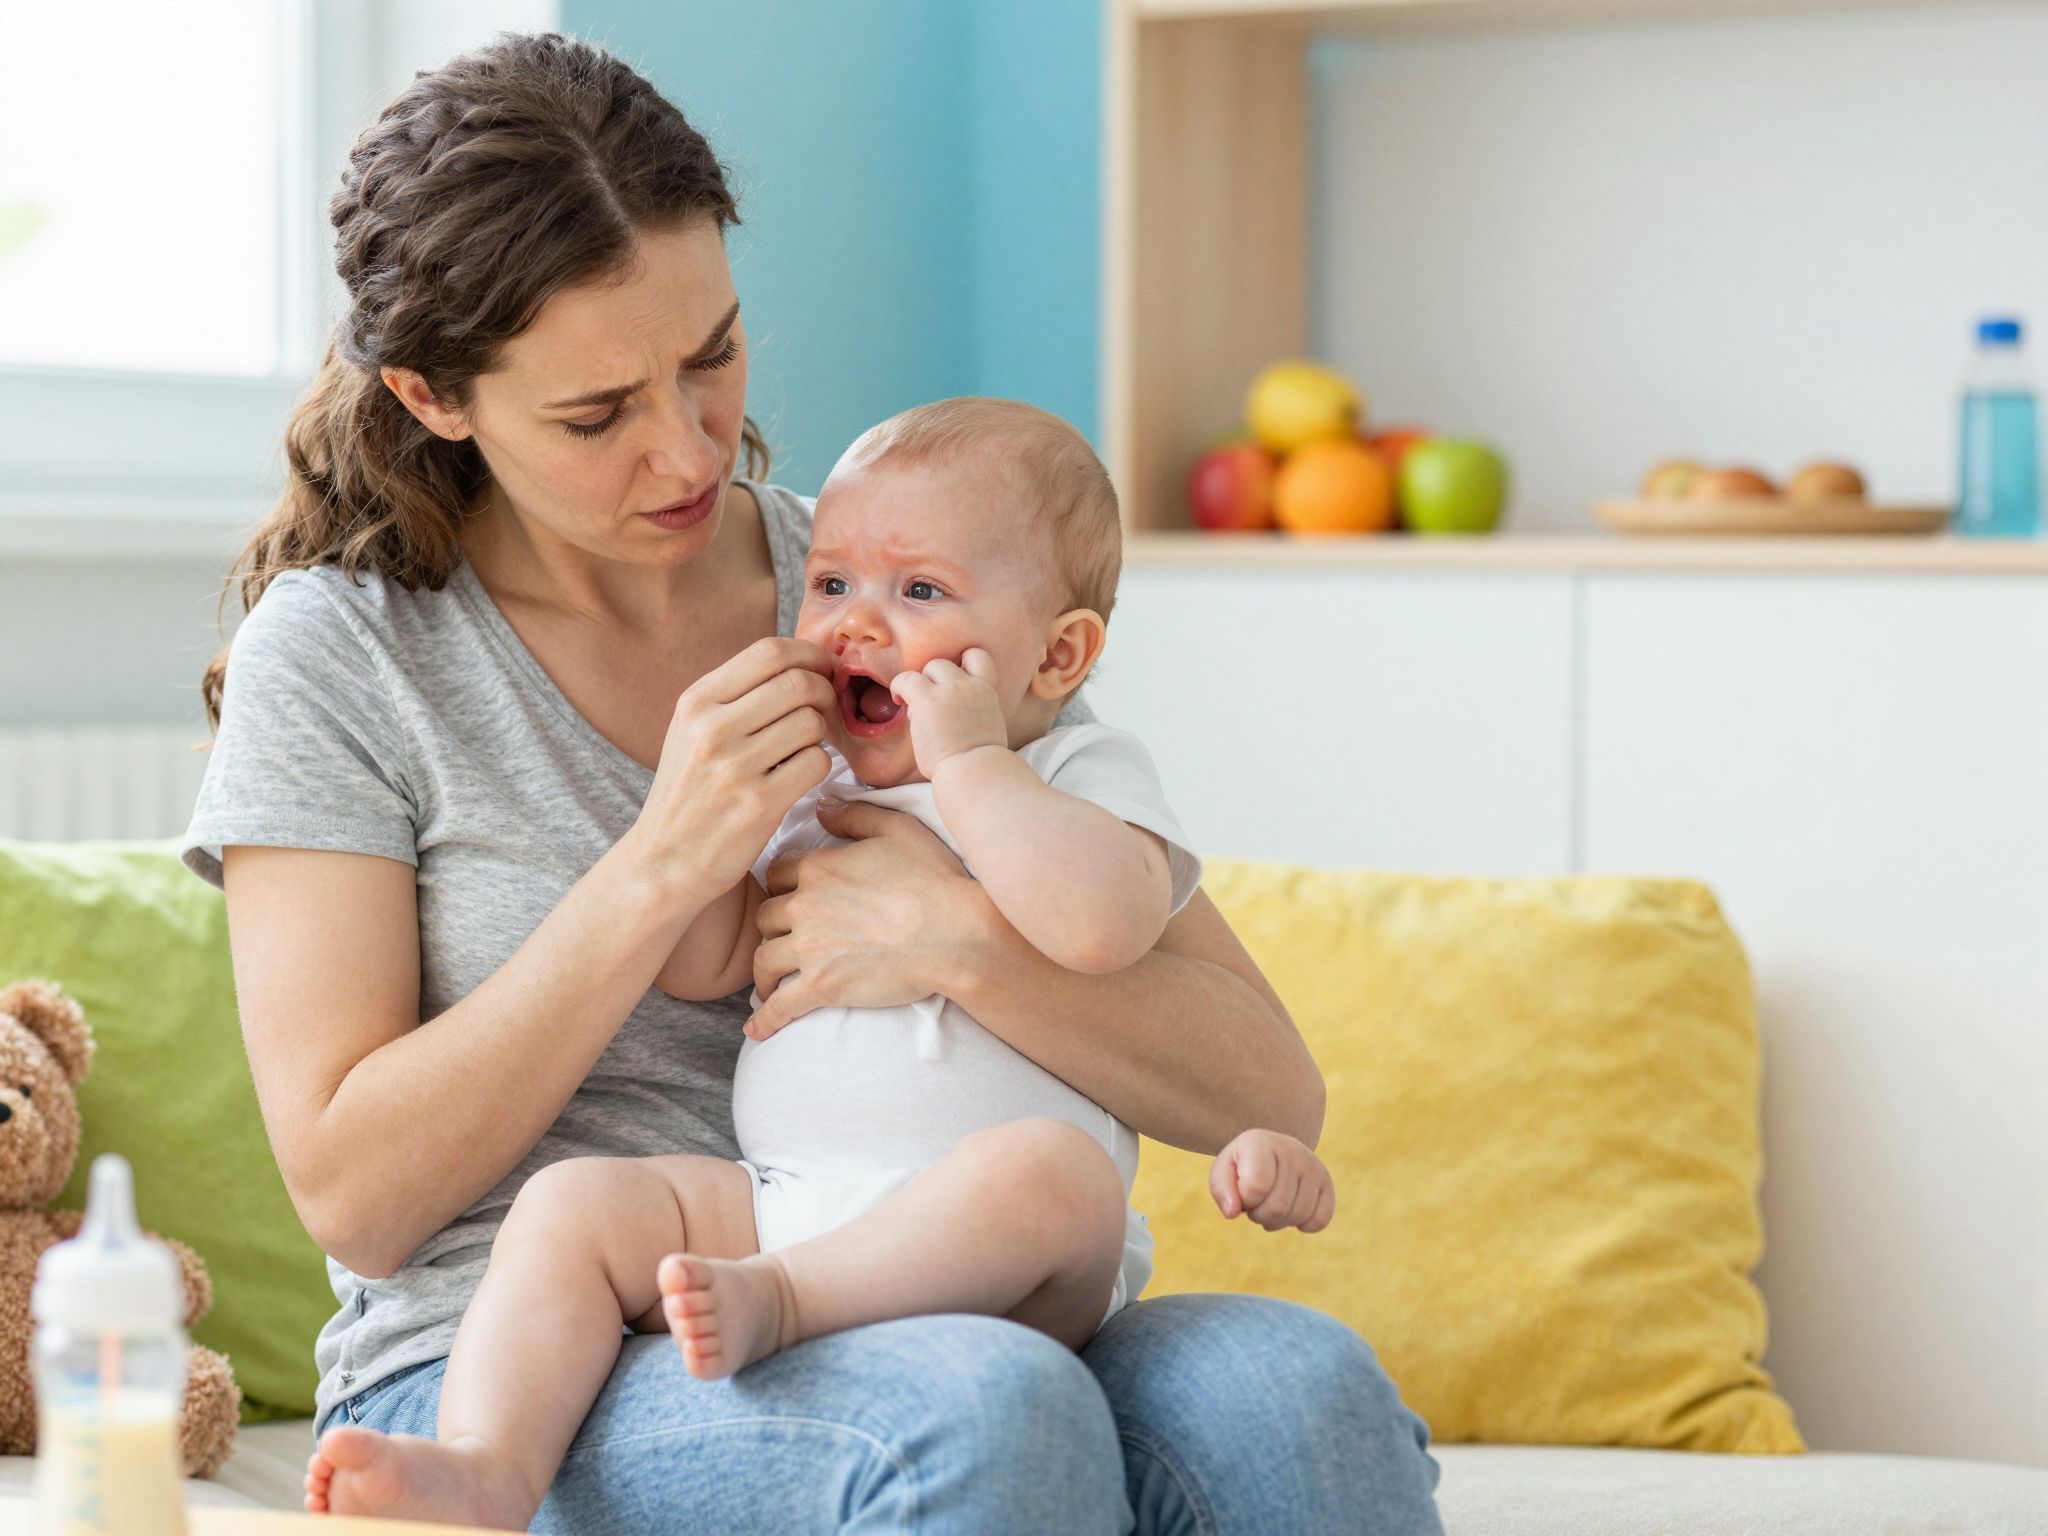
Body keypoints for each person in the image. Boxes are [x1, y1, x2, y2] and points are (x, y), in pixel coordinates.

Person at [185, 32, 1442, 1534]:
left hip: (942, 1267)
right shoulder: (345, 653)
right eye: (596, 416)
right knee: (981, 1407)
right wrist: (662, 861)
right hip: (520, 1347)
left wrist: (959, 949)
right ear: (436, 396)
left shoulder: (896, 582)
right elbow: (356, 1196)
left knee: (1300, 1398)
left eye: (710, 357)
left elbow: (1263, 1079)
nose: (684, 450)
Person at [300, 396, 1341, 1529]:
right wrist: (694, 833)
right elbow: (710, 961)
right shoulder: (820, 783)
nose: (855, 621)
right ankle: (489, 1465)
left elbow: (1097, 927)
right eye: (834, 585)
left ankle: (786, 1305)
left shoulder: (1063, 764)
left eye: (916, 594)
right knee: (573, 1206)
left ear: (1059, 654)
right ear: (442, 397)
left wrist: (964, 812)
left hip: (1001, 1244)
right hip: (786, 1208)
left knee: (1138, 1249)